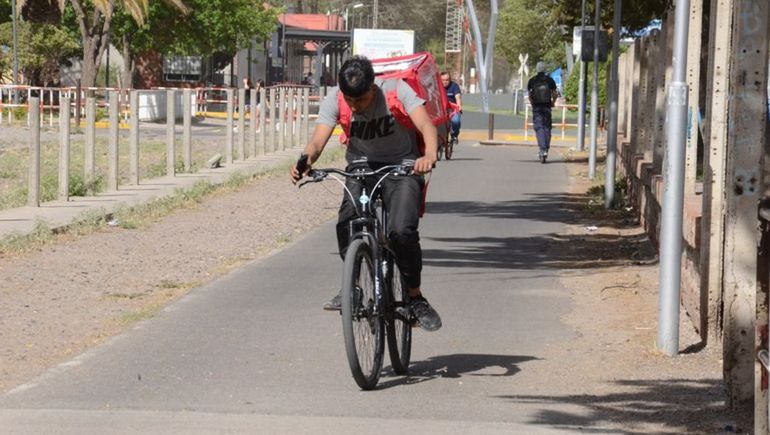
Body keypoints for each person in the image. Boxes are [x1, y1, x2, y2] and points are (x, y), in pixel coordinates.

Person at [290, 56, 442, 332]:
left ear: (373, 87)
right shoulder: (336, 98)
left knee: (401, 231)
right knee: (346, 222)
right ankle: (354, 288)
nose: (354, 106)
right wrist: (306, 160)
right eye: (350, 100)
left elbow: (426, 125)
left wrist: (429, 155)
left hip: (402, 167)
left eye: (360, 100)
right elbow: (317, 141)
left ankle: (415, 297)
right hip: (361, 168)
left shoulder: (396, 90)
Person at [527, 61, 558, 162]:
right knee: (547, 127)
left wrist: (532, 103)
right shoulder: (550, 80)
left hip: (537, 107)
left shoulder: (532, 80)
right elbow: (555, 93)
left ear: (537, 69)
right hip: (547, 107)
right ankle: (546, 148)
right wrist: (553, 102)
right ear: (545, 69)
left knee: (539, 127)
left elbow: (529, 95)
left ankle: (542, 149)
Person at [440, 71, 462, 144]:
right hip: (441, 110)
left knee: (456, 121)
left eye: (447, 80)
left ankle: (454, 135)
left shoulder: (454, 86)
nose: (445, 82)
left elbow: (458, 98)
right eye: (443, 80)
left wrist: (459, 107)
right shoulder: (438, 87)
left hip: (453, 110)